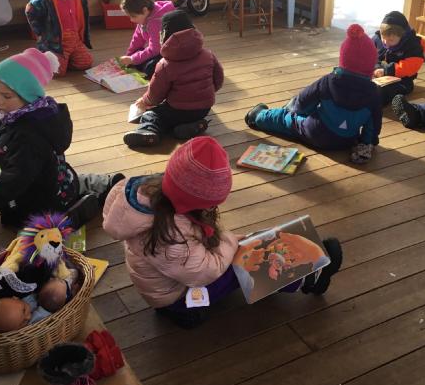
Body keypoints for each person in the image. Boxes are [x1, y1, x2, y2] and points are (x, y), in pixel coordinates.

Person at [101, 136, 343, 328]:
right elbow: (206, 272)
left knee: (248, 247)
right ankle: (308, 278)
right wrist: (232, 241)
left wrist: (236, 242)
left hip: (174, 278)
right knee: (248, 261)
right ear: (192, 202)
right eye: (210, 204)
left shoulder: (149, 195)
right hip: (177, 298)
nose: (212, 209)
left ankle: (297, 261)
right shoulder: (169, 237)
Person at [0, 48, 120, 228]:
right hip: (51, 181)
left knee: (36, 232)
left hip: (43, 205)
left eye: (6, 96)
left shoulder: (28, 138)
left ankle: (79, 209)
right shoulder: (19, 116)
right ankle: (99, 183)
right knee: (67, 180)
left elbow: (4, 190)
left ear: (29, 96)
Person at [245, 24, 382, 163]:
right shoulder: (373, 93)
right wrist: (367, 142)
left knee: (286, 119)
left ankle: (258, 116)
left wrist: (293, 110)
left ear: (343, 58)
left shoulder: (327, 82)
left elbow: (302, 103)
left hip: (315, 133)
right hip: (346, 141)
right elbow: (373, 124)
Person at [123, 10, 223, 148]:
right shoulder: (208, 55)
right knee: (180, 118)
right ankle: (192, 126)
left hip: (177, 109)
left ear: (164, 36)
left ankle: (149, 131)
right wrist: (204, 93)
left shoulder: (165, 65)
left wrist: (144, 101)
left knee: (152, 116)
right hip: (204, 108)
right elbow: (218, 80)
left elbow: (156, 95)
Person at [25, 0, 92, 76]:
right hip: (56, 42)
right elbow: (30, 10)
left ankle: (66, 59)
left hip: (76, 39)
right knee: (57, 72)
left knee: (85, 63)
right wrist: (39, 32)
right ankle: (46, 58)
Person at [118, 0, 175, 78]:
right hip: (159, 50)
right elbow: (137, 39)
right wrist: (129, 55)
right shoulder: (145, 16)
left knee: (150, 68)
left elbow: (155, 50)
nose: (131, 20)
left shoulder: (156, 22)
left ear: (144, 10)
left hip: (172, 54)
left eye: (133, 16)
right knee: (136, 55)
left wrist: (132, 59)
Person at [372, 11, 425, 106]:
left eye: (391, 40)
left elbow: (410, 66)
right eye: (383, 38)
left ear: (402, 35)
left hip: (402, 80)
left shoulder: (413, 46)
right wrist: (376, 67)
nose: (386, 42)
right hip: (377, 75)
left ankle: (374, 103)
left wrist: (387, 71)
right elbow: (370, 55)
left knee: (386, 90)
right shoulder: (377, 39)